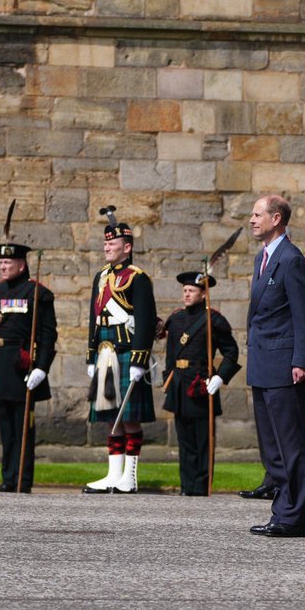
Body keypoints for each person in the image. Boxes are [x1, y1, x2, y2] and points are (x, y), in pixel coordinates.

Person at [247, 194, 305, 537]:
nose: (251, 219)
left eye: (258, 214)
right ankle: (282, 510)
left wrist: (302, 360)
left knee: (290, 442)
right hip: (263, 362)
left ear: (276, 218)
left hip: (284, 363)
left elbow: (304, 315)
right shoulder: (264, 256)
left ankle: (293, 516)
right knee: (270, 444)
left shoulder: (291, 259)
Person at [83, 209, 157, 494]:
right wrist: (91, 356)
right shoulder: (100, 277)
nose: (107, 247)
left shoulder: (138, 278)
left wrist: (139, 359)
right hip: (105, 353)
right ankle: (113, 475)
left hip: (128, 353)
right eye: (105, 243)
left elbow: (146, 320)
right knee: (108, 416)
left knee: (129, 417)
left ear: (127, 248)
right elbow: (94, 319)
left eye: (112, 244)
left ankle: (130, 477)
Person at [0, 242, 57, 493]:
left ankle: (22, 480)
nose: (3, 266)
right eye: (1, 263)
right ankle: (8, 477)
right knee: (6, 427)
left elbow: (48, 335)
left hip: (22, 366)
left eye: (8, 263)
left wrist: (42, 367)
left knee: (22, 425)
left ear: (22, 264)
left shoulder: (36, 293)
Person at [161, 272, 241, 496]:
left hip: (200, 384)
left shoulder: (213, 319)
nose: (186, 294)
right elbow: (170, 355)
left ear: (203, 294)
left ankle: (201, 488)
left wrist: (220, 377)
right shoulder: (176, 319)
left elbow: (231, 351)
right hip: (179, 384)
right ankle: (187, 486)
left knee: (203, 441)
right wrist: (167, 380)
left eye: (192, 291)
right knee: (184, 440)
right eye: (185, 291)